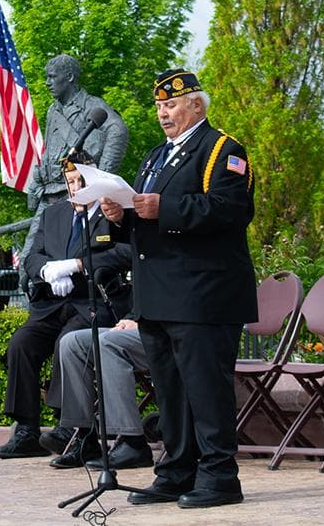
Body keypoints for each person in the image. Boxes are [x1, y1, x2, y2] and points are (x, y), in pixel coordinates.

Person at [101, 69, 257, 508]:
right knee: (171, 392)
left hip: (204, 294)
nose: (163, 113)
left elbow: (231, 209)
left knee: (206, 391)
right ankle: (175, 472)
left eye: (171, 104)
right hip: (158, 295)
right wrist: (121, 217)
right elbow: (145, 217)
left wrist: (163, 207)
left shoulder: (222, 149)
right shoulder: (156, 156)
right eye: (158, 106)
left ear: (196, 105)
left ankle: (220, 477)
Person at [0, 154, 131, 459]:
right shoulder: (53, 214)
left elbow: (126, 253)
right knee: (21, 344)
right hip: (52, 303)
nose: (76, 187)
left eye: (81, 180)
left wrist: (78, 265)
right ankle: (27, 430)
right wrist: (47, 271)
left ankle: (70, 428)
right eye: (71, 182)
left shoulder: (111, 211)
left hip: (91, 302)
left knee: (66, 343)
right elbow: (32, 256)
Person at [20, 54, 129, 287]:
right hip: (50, 193)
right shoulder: (53, 110)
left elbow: (118, 131)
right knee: (29, 260)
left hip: (77, 193)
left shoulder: (92, 105)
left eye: (52, 77)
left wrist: (100, 180)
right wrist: (36, 182)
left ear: (69, 77)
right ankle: (37, 301)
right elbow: (49, 150)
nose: (47, 82)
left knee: (69, 254)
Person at [45, 315, 154, 470]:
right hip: (141, 323)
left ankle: (133, 443)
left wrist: (143, 322)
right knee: (71, 342)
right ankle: (86, 438)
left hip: (165, 328)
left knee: (108, 342)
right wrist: (130, 318)